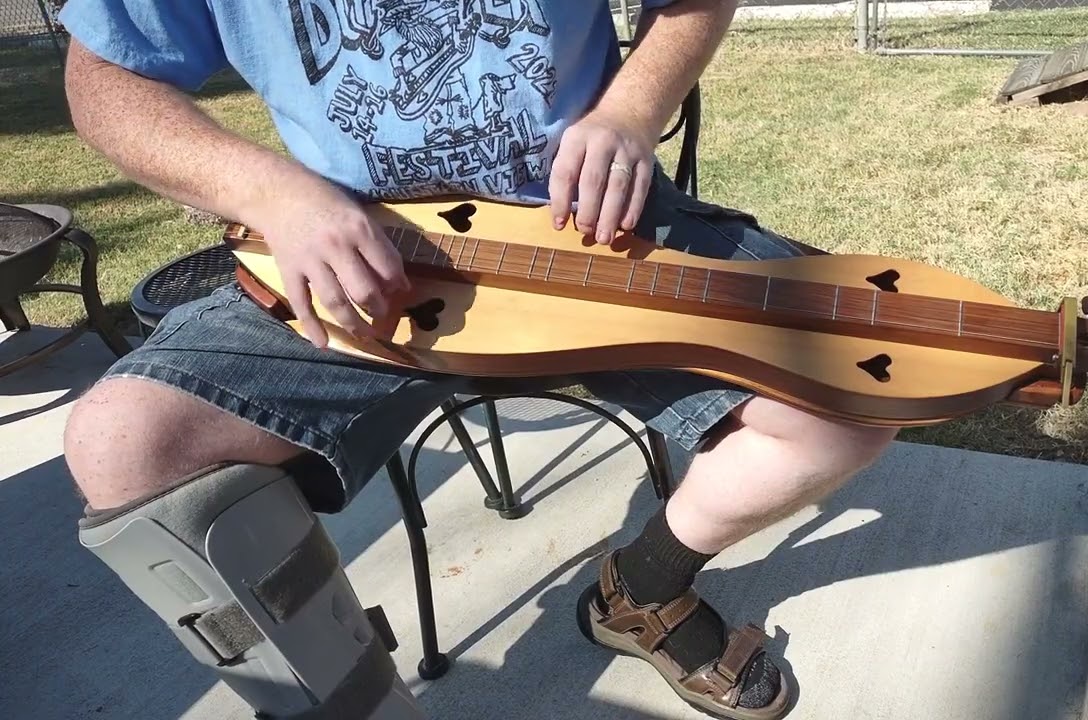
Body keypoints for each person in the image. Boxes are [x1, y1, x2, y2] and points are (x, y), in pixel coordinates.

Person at [57, 1, 898, 718]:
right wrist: (269, 193)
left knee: (849, 395)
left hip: (599, 230)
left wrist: (631, 111)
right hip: (354, 253)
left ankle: (642, 588)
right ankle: (356, 703)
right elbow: (105, 78)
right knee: (125, 441)